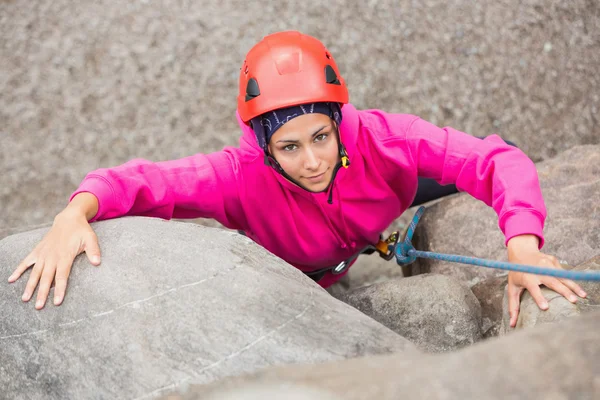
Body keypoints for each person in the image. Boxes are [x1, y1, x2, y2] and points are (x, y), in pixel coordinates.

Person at [8, 30, 586, 328]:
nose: (310, 160)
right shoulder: (234, 177)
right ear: (262, 144)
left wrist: (522, 245)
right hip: (305, 274)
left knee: (502, 150)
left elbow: (496, 163)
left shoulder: (386, 138)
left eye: (320, 137)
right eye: (288, 146)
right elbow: (140, 181)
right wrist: (72, 215)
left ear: (339, 123)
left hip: (384, 202)